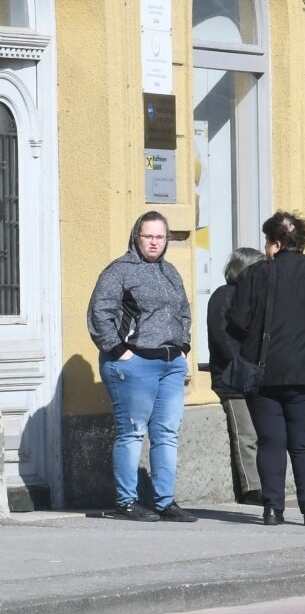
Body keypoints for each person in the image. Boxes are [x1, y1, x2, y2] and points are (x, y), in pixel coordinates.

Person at [228, 212, 305, 526]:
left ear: (276, 243)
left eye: (268, 241)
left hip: (264, 371)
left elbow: (238, 322)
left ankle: (272, 510)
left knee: (271, 442)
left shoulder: (254, 275)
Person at [87, 211, 197, 522]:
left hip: (171, 364)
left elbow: (183, 312)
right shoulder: (119, 271)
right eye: (148, 236)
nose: (154, 242)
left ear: (167, 240)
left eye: (160, 237)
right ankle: (126, 501)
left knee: (166, 433)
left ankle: (165, 502)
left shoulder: (171, 272)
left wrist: (183, 346)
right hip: (134, 365)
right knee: (132, 433)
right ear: (137, 236)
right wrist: (120, 351)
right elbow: (99, 313)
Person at [206, 246, 266, 505]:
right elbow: (224, 339)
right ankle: (251, 488)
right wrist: (248, 368)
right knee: (247, 434)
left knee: (263, 434)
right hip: (233, 378)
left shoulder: (255, 297)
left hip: (256, 377)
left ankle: (265, 485)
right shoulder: (224, 296)